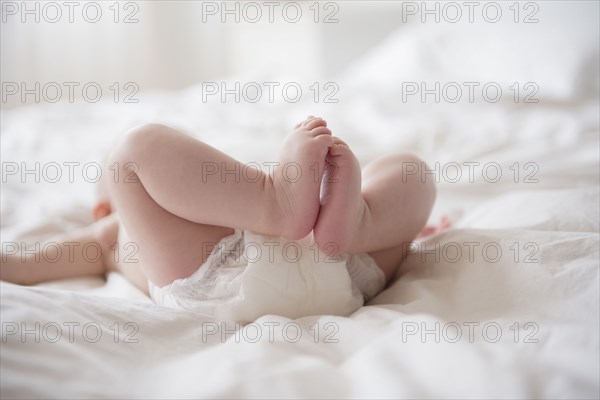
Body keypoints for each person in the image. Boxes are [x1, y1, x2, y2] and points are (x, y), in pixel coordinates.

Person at [0, 116, 436, 319]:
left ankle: (359, 220)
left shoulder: (138, 238)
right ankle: (349, 217)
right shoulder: (111, 232)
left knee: (408, 168)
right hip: (327, 274)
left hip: (328, 247)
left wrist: (395, 227)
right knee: (132, 151)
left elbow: (31, 263)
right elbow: (50, 255)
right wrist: (14, 264)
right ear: (105, 207)